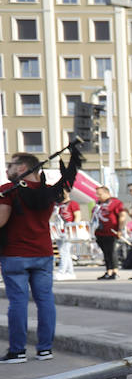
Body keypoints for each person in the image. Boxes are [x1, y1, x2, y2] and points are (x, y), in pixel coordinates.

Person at [1, 151, 79, 363]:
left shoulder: (8, 190)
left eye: (10, 165)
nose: (7, 169)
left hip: (15, 253)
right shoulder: (47, 192)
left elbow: (1, 220)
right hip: (43, 253)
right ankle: (45, 349)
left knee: (18, 302)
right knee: (45, 301)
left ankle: (17, 351)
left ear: (22, 169)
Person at [92, 185, 124, 280]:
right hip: (100, 232)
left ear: (107, 193)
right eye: (97, 194)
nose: (98, 196)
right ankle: (108, 271)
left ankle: (115, 271)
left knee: (112, 251)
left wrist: (120, 229)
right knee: (105, 252)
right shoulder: (97, 205)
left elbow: (122, 216)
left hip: (111, 232)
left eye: (100, 194)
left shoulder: (115, 202)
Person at [53, 194, 79, 280]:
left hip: (68, 230)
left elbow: (77, 216)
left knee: (64, 251)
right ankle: (70, 272)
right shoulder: (57, 205)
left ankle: (62, 271)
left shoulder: (73, 203)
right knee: (64, 252)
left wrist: (73, 229)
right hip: (59, 230)